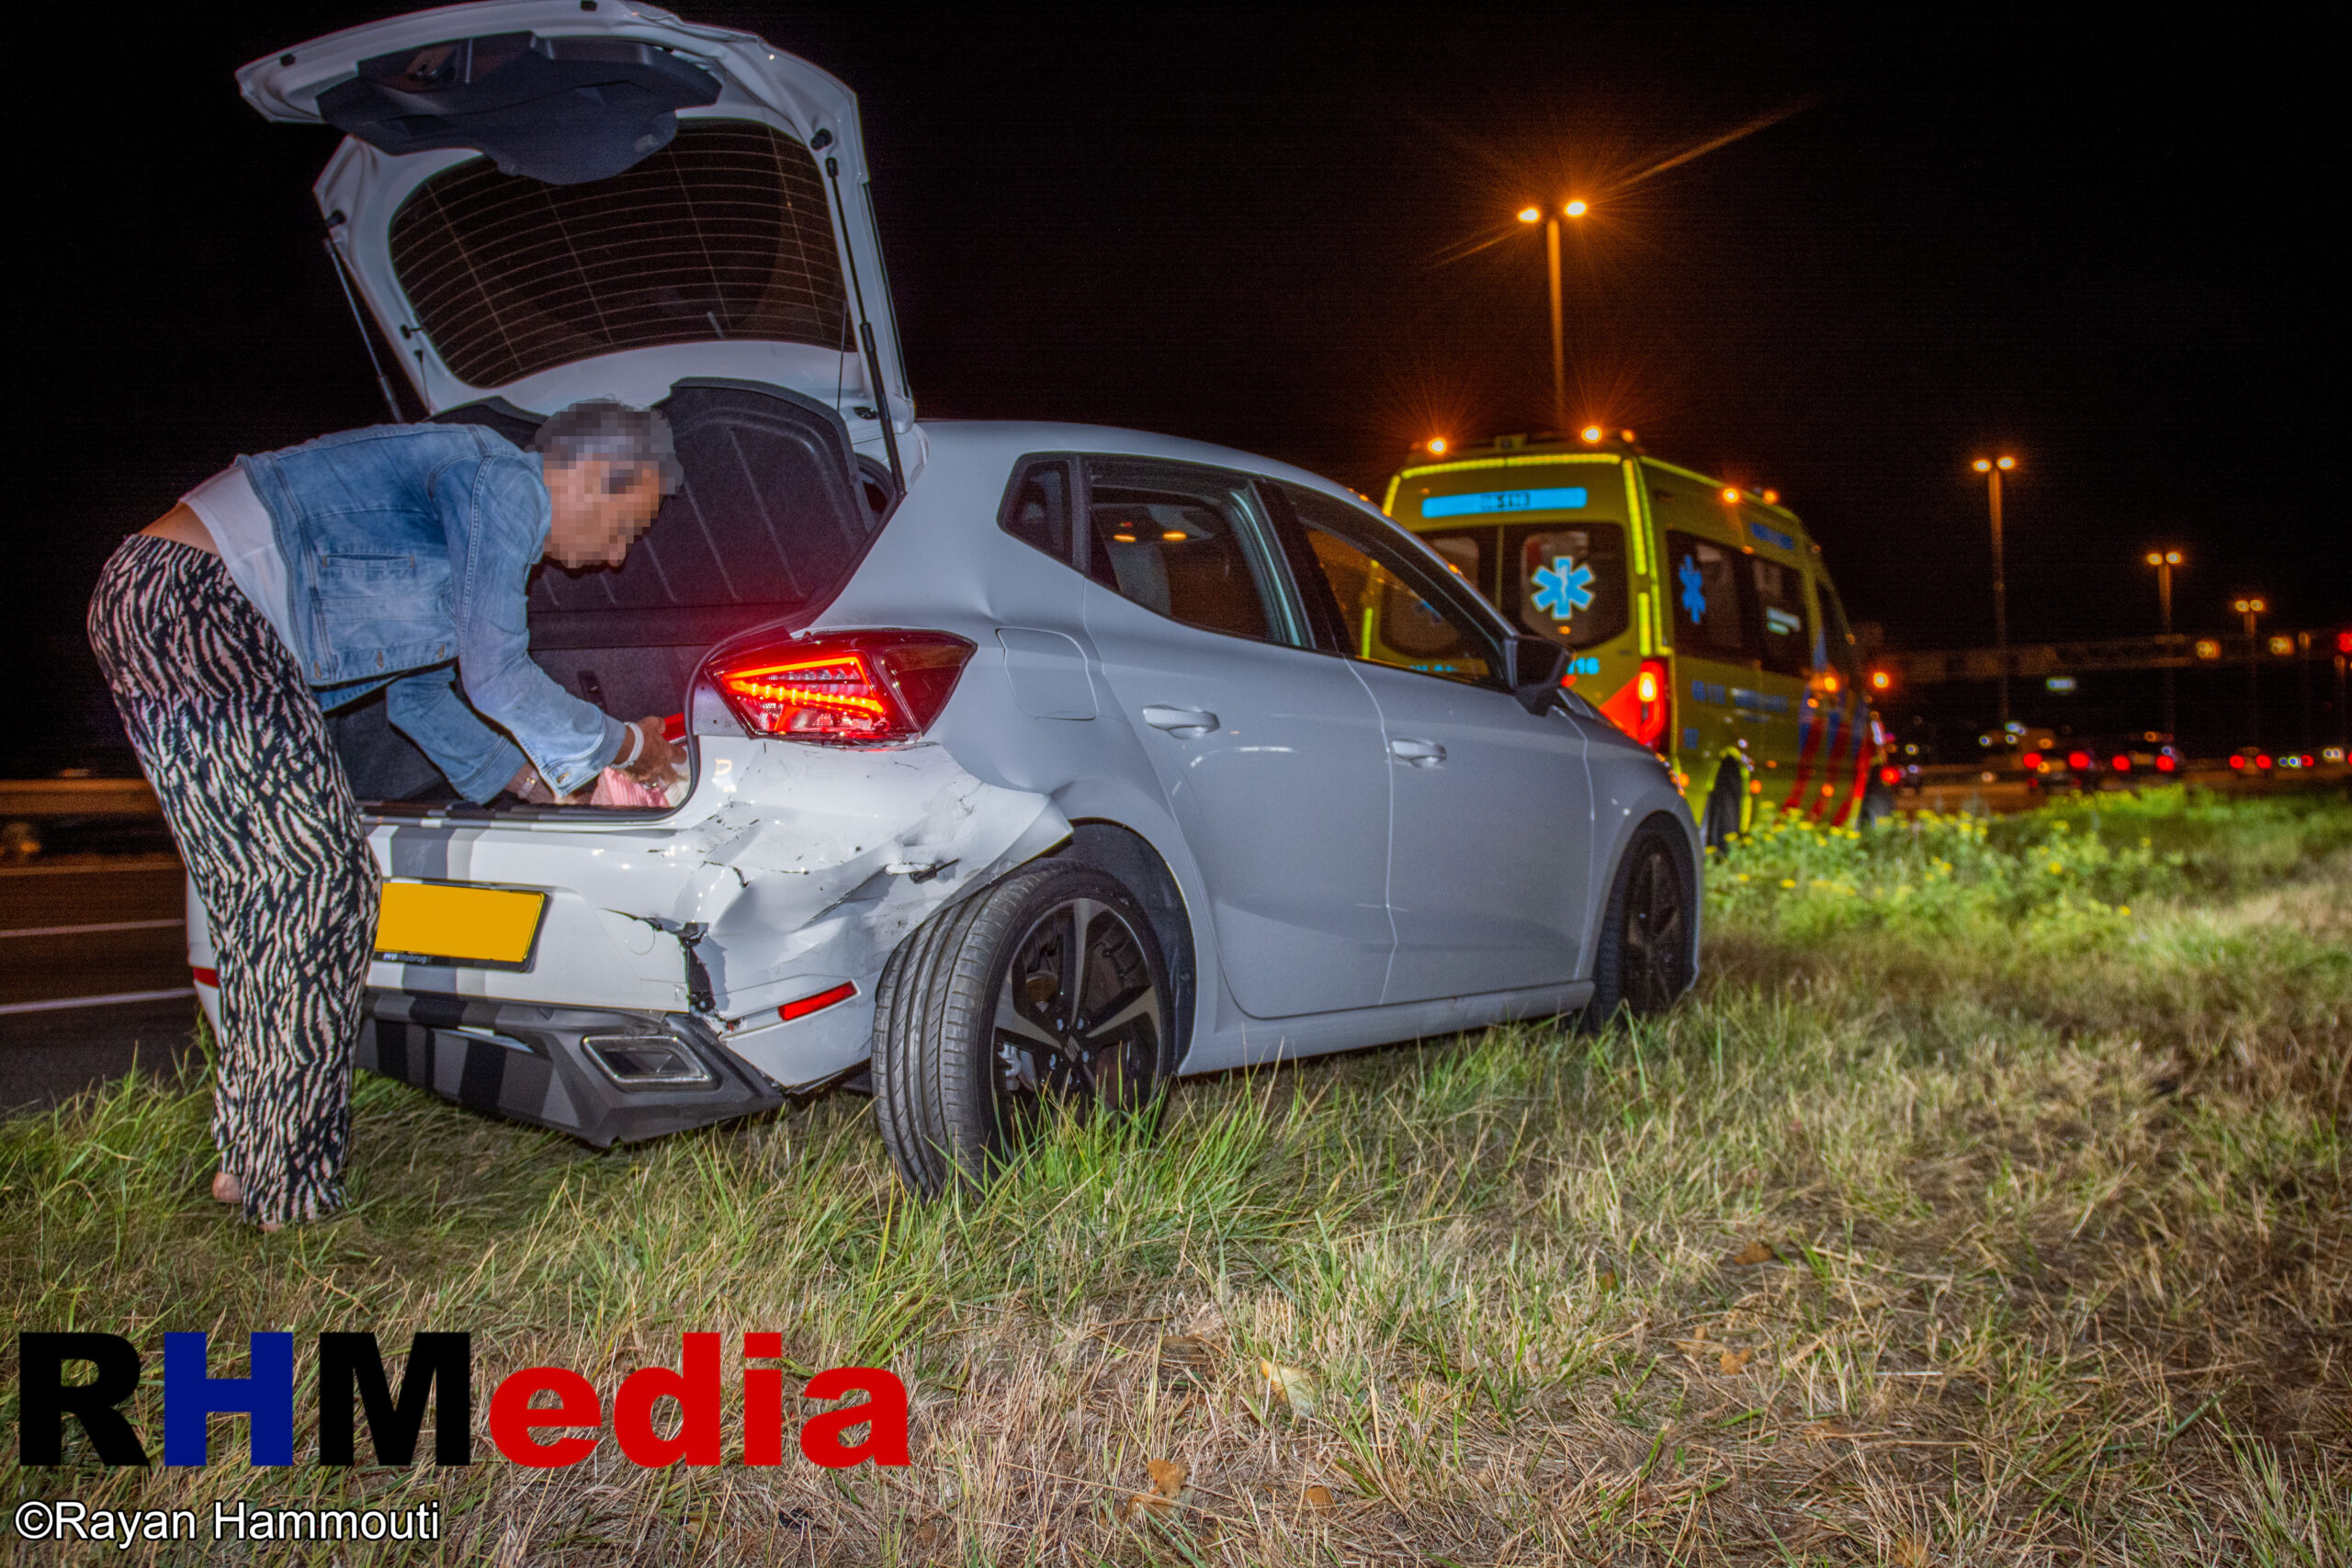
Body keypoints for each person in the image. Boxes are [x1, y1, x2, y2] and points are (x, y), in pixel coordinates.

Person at [86, 401, 686, 1230]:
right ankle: (289, 1186)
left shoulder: (464, 540)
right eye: (627, 524)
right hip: (196, 594)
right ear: (587, 472)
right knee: (321, 883)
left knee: (268, 896)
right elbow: (499, 677)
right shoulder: (503, 481)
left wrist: (550, 786)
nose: (617, 556)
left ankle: (257, 1162)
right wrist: (628, 746)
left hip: (152, 599)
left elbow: (424, 700)